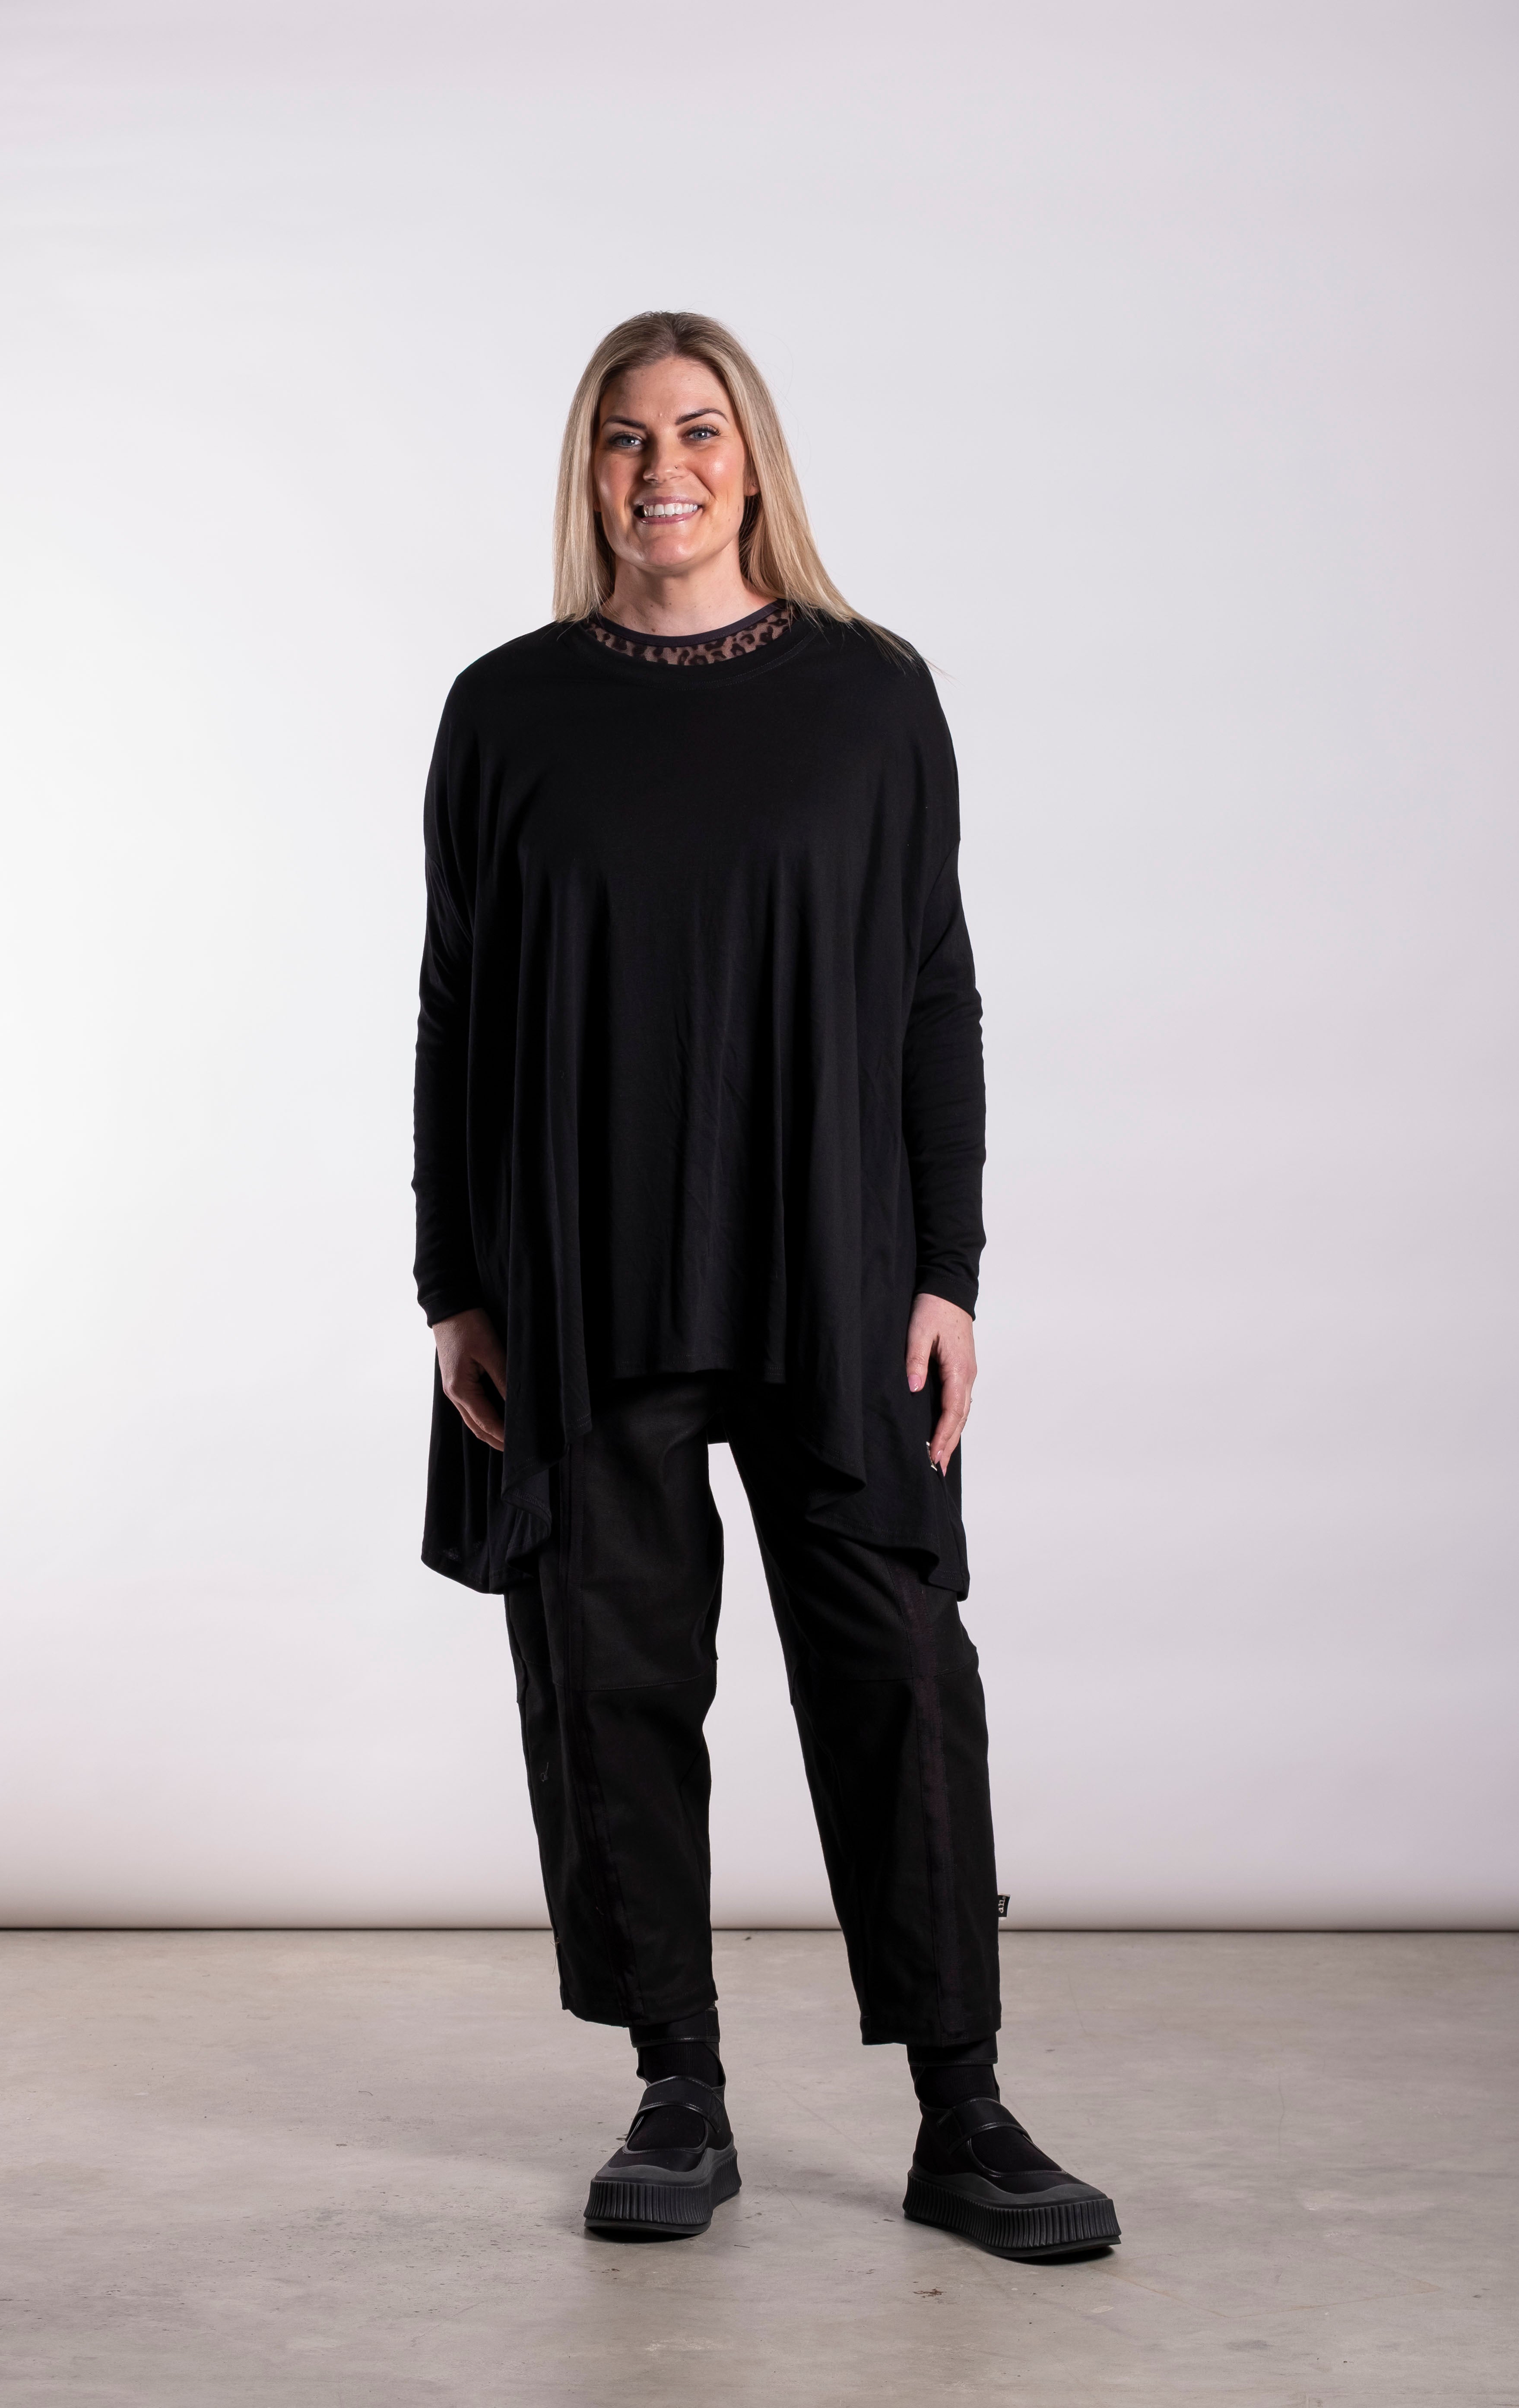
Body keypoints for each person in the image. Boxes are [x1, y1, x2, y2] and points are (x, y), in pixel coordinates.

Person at [412, 310, 1119, 2262]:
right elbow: (455, 1004)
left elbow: (934, 990)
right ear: (589, 470)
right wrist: (453, 1279)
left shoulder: (874, 695)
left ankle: (965, 2110)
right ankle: (678, 2085)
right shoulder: (507, 710)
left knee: (899, 1671)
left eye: (700, 430)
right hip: (584, 1274)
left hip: (834, 1268)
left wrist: (950, 1269)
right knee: (614, 1678)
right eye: (626, 435)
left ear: (753, 459)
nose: (665, 468)